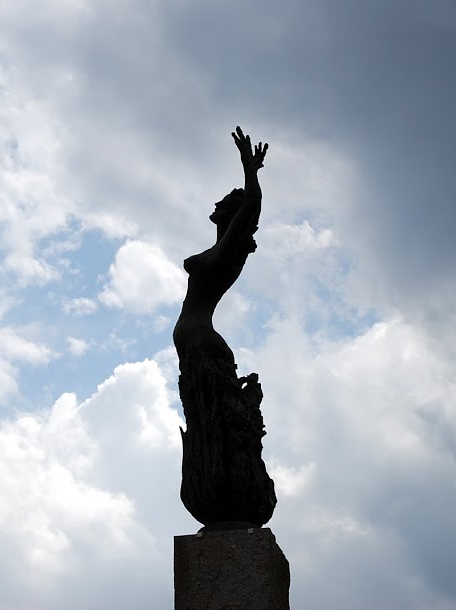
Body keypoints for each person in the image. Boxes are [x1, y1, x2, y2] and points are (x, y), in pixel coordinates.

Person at [174, 127, 276, 529]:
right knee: (208, 421)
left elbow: (252, 203)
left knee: (216, 428)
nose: (220, 200)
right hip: (197, 340)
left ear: (231, 215)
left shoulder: (228, 251)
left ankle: (225, 479)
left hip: (202, 341)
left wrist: (250, 173)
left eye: (227, 200)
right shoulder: (218, 249)